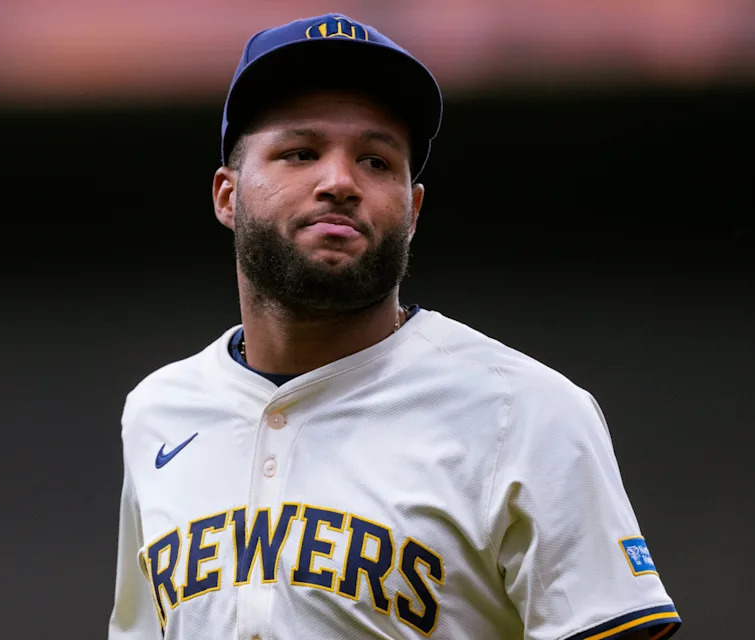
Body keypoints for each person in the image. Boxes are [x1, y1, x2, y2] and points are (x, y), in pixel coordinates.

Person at [108, 13, 682, 640]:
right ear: (227, 195)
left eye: (376, 161)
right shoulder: (160, 411)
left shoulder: (525, 410)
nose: (339, 182)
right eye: (300, 153)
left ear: (412, 210)